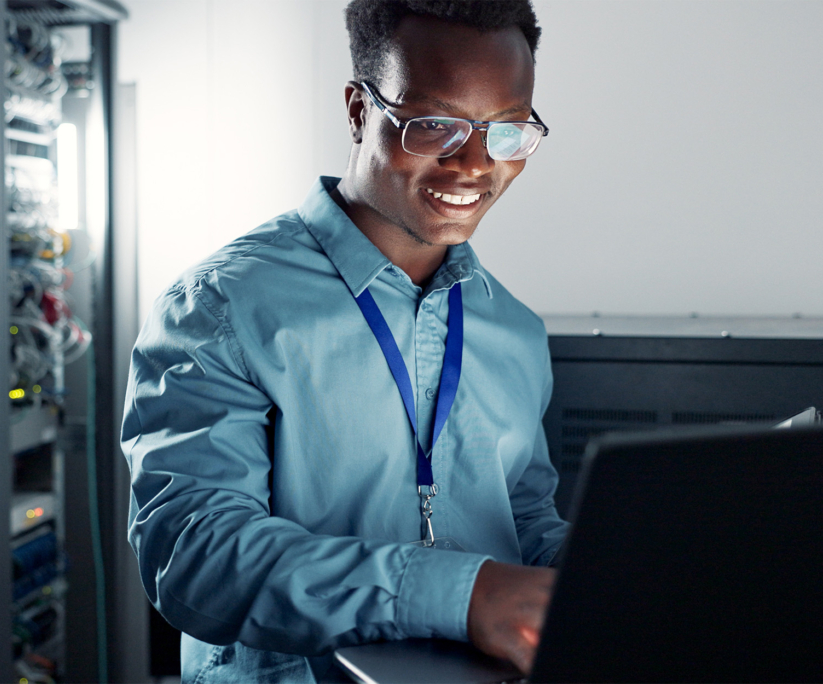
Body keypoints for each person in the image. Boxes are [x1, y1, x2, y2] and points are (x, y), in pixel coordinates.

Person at [122, 1, 569, 682]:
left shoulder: (512, 328)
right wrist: (461, 592)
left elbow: (525, 517)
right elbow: (192, 556)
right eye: (434, 125)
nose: (475, 163)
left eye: (505, 130)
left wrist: (614, 575)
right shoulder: (223, 304)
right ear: (359, 111)